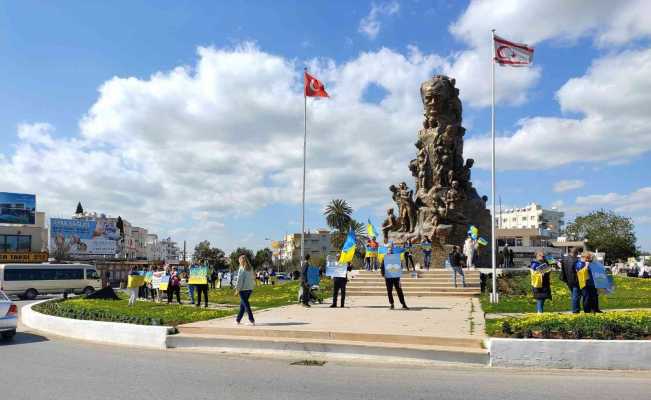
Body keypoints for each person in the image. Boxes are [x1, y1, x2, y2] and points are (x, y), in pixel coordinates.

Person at [381, 244, 409, 310]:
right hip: (388, 277)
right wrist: (383, 274)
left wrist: (399, 271)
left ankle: (403, 304)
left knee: (399, 290)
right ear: (387, 251)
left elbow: (400, 266)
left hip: (396, 277)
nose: (390, 251)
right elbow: (382, 267)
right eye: (389, 250)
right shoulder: (385, 258)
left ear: (392, 251)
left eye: (390, 250)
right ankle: (392, 304)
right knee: (389, 291)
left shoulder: (396, 257)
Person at [560, 247, 582, 313]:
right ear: (576, 253)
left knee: (574, 295)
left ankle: (576, 309)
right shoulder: (576, 260)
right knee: (576, 296)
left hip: (568, 280)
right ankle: (575, 310)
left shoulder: (564, 259)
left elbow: (563, 270)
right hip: (575, 280)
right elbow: (579, 270)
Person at [235, 255, 255, 325]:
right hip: (249, 289)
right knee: (243, 305)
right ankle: (238, 319)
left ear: (241, 261)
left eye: (239, 261)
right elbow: (253, 279)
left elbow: (239, 280)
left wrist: (237, 289)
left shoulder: (241, 268)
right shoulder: (251, 268)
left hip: (242, 289)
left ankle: (251, 319)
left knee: (246, 305)